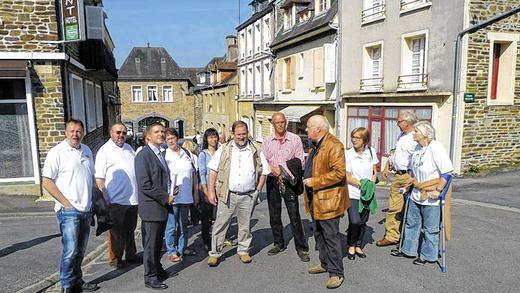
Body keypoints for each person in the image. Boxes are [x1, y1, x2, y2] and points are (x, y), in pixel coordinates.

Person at [41, 119, 99, 293]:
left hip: (86, 209)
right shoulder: (57, 152)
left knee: (80, 250)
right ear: (66, 132)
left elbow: (90, 179)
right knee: (70, 250)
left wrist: (93, 203)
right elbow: (47, 181)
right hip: (68, 211)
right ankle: (66, 286)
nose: (76, 134)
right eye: (72, 131)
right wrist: (66, 204)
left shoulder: (87, 150)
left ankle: (77, 281)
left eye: (79, 131)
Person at [206, 121, 270, 266]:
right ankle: (215, 253)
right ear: (233, 134)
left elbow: (264, 171)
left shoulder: (256, 149)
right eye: (238, 134)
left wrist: (258, 191)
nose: (241, 137)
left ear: (248, 133)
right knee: (220, 224)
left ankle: (243, 251)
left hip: (248, 195)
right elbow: (213, 171)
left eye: (244, 134)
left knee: (245, 225)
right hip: (227, 194)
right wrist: (211, 191)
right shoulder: (224, 149)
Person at [392, 121, 453, 265]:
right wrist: (408, 186)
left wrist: (438, 190)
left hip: (431, 194)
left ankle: (428, 255)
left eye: (417, 132)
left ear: (426, 134)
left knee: (430, 228)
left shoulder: (436, 147)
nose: (414, 134)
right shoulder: (417, 149)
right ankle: (408, 250)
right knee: (411, 223)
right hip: (416, 193)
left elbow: (447, 172)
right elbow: (413, 171)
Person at [302, 115, 349, 289]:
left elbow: (339, 174)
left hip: (329, 201)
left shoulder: (334, 145)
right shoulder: (316, 144)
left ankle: (337, 273)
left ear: (318, 129)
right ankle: (324, 263)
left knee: (331, 237)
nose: (306, 130)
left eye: (308, 127)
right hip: (315, 198)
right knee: (319, 234)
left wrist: (314, 181)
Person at [261, 112, 309, 262]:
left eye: (282, 122)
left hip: (289, 180)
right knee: (274, 214)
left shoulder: (295, 139)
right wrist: (273, 170)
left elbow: (300, 160)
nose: (280, 125)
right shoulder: (267, 141)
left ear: (286, 122)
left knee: (294, 214)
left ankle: (301, 247)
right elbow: (264, 159)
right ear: (273, 124)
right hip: (272, 180)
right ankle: (278, 243)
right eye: (277, 123)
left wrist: (283, 171)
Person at [135, 122, 175, 290]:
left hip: (161, 207)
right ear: (148, 136)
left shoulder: (159, 153)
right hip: (152, 207)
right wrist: (165, 197)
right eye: (156, 132)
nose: (161, 134)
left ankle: (157, 269)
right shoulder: (143, 155)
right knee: (151, 245)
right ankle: (150, 276)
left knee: (158, 243)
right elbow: (145, 185)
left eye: (162, 131)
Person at [94, 123, 139, 269]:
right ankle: (115, 259)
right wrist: (105, 197)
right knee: (116, 233)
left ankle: (131, 256)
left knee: (130, 230)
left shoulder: (128, 148)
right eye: (118, 132)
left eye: (124, 133)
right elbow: (99, 178)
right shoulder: (105, 151)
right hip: (115, 200)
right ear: (111, 132)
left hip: (132, 199)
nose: (121, 135)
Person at [376, 110, 418, 247]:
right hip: (399, 175)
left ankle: (405, 237)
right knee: (394, 207)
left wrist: (413, 178)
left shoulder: (415, 137)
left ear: (407, 122)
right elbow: (395, 151)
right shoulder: (402, 135)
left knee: (409, 208)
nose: (397, 124)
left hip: (409, 175)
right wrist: (387, 164)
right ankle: (392, 236)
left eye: (399, 121)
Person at [164, 128, 198, 262]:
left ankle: (182, 248)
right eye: (167, 139)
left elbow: (194, 175)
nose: (170, 141)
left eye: (172, 138)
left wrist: (195, 192)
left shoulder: (187, 153)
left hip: (186, 196)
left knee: (183, 225)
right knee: (171, 226)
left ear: (177, 138)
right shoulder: (164, 155)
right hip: (172, 197)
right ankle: (171, 250)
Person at [344, 127, 379, 260]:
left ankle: (358, 245)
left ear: (365, 140)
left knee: (363, 221)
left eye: (357, 137)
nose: (354, 139)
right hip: (353, 192)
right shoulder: (348, 154)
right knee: (355, 221)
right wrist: (363, 185)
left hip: (368, 193)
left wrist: (371, 184)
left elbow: (375, 171)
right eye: (353, 136)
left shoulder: (371, 151)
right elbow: (347, 176)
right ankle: (351, 245)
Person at [197, 128, 219, 252]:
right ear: (206, 139)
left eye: (215, 136)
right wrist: (206, 191)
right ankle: (206, 240)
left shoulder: (220, 151)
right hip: (207, 188)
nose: (213, 139)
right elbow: (202, 173)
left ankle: (217, 238)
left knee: (218, 216)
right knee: (207, 217)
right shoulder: (203, 154)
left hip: (219, 188)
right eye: (211, 137)